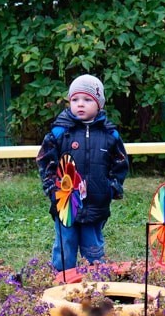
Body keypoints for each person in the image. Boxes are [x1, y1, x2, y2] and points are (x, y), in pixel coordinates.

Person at [36, 75, 129, 271]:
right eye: (75, 99)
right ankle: (62, 284)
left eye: (87, 100)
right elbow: (46, 161)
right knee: (65, 247)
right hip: (65, 204)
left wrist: (111, 188)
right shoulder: (60, 132)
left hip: (96, 203)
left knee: (93, 249)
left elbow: (120, 163)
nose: (80, 104)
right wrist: (52, 188)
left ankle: (95, 285)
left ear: (99, 104)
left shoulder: (109, 135)